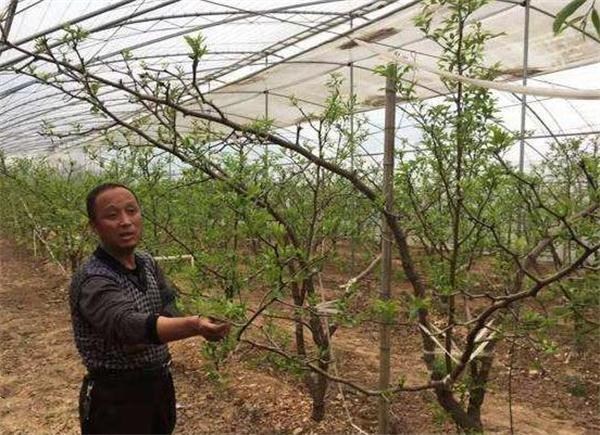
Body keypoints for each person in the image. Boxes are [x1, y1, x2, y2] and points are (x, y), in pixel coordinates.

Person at [69, 182, 230, 434]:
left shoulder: (145, 262)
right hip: (116, 399)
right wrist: (193, 325)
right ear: (94, 226)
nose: (125, 221)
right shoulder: (94, 279)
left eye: (131, 211)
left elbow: (168, 305)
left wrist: (150, 333)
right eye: (112, 215)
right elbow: (126, 325)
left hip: (158, 385)